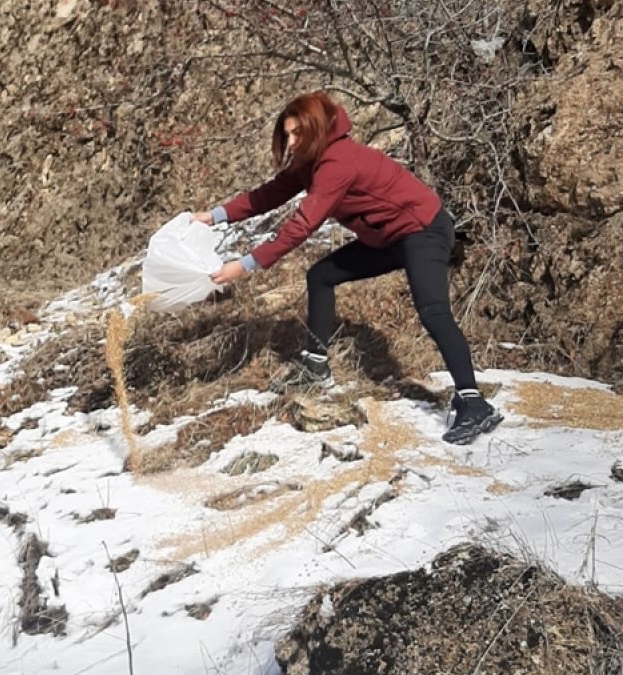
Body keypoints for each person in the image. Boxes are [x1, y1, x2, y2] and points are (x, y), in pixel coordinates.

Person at [193, 91, 501, 445]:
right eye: (287, 134)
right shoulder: (311, 160)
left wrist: (245, 265)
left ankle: (474, 403)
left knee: (433, 311)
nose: (291, 142)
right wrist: (213, 216)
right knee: (321, 275)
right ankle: (316, 365)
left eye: (298, 134)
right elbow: (268, 195)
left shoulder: (337, 162)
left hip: (422, 229)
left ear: (317, 129)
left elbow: (302, 225)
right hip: (387, 237)